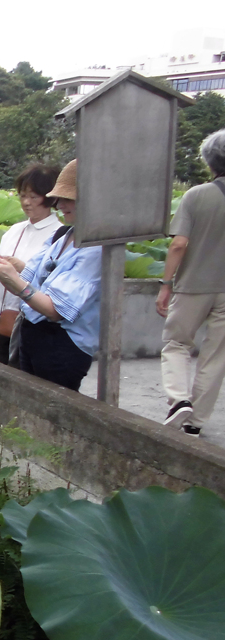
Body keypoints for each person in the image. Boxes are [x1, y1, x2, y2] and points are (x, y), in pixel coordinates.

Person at [0, 160, 102, 391]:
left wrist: (13, 281)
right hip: (30, 334)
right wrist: (4, 266)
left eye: (69, 199)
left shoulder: (95, 248)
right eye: (60, 198)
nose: (61, 205)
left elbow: (56, 310)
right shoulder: (64, 234)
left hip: (61, 346)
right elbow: (33, 275)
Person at [157, 129, 225, 436]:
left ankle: (178, 400)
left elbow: (178, 244)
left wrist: (165, 283)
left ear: (210, 162)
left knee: (176, 343)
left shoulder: (197, 195)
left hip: (193, 285)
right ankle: (195, 423)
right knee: (216, 355)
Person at [0, 164, 62, 364]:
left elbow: (55, 285)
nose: (27, 202)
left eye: (34, 197)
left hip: (34, 325)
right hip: (3, 320)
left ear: (50, 198)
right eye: (22, 196)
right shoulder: (14, 231)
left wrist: (22, 268)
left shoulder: (60, 235)